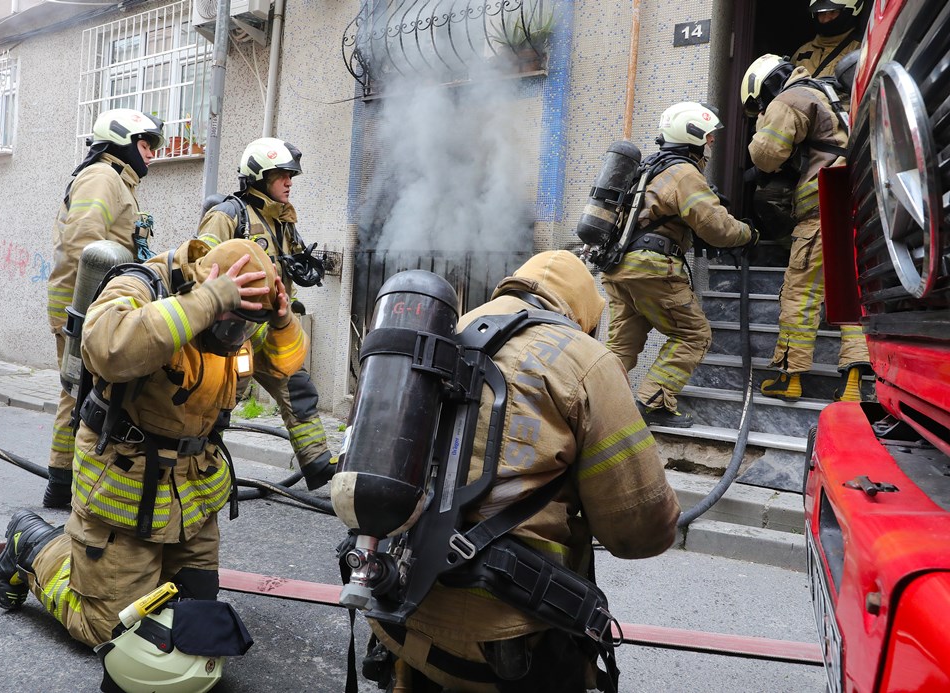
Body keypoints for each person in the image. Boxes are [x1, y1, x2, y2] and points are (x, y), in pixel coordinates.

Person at [366, 250, 681, 692]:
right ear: (585, 313)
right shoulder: (587, 361)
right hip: (505, 645)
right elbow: (641, 533)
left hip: (399, 616)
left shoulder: (447, 333)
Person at [0, 237, 307, 649]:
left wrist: (282, 322)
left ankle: (119, 572)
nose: (236, 335)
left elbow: (284, 367)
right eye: (231, 320)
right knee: (109, 631)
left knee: (191, 621)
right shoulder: (141, 285)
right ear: (207, 280)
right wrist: (208, 301)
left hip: (192, 495)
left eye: (246, 324)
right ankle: (31, 545)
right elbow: (107, 347)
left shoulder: (240, 316)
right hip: (127, 485)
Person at [600, 102, 755, 428]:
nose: (711, 143)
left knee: (619, 347)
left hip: (619, 269)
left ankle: (592, 405)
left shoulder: (648, 168)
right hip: (652, 268)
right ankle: (653, 403)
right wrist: (749, 234)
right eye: (709, 136)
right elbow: (718, 228)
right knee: (692, 335)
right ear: (693, 135)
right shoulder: (683, 173)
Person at [196, 137, 336, 491]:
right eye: (282, 175)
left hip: (271, 329)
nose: (290, 182)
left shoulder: (283, 223)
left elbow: (292, 263)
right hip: (234, 332)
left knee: (298, 386)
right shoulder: (229, 215)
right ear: (259, 177)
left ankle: (319, 464)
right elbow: (201, 267)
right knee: (222, 398)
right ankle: (198, 463)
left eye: (291, 175)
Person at [43, 108, 165, 509]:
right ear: (122, 142)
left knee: (81, 392)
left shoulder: (118, 182)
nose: (150, 154)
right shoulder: (102, 177)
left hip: (96, 306)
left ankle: (65, 479)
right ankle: (66, 483)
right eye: (145, 145)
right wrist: (95, 310)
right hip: (84, 307)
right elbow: (84, 246)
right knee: (81, 391)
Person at [741, 54, 869, 401]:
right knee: (854, 294)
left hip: (821, 207)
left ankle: (791, 377)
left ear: (763, 88)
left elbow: (765, 153)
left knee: (801, 294)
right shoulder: (831, 93)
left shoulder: (792, 98)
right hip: (862, 202)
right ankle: (855, 384)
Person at [791, 0, 863, 79]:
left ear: (849, 12)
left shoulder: (861, 51)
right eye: (821, 13)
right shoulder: (803, 51)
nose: (826, 19)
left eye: (833, 12)